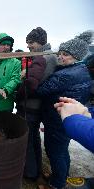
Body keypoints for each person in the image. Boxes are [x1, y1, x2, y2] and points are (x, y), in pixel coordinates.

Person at [37, 30, 93, 189]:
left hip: (57, 119)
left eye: (65, 54)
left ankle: (57, 184)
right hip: (65, 118)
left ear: (76, 56)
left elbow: (41, 89)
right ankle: (61, 176)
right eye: (60, 53)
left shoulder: (66, 74)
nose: (60, 57)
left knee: (55, 152)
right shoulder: (81, 70)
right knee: (62, 151)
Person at [16, 27, 58, 182]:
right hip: (36, 106)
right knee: (33, 138)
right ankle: (35, 169)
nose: (28, 46)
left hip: (31, 106)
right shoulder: (48, 56)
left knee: (28, 140)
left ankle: (30, 172)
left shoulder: (45, 58)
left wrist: (17, 93)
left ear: (40, 42)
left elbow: (32, 84)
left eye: (31, 42)